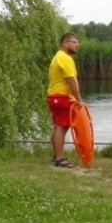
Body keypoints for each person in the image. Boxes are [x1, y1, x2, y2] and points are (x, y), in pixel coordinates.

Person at [46, 32, 84, 168]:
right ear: (65, 43)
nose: (77, 45)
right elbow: (71, 80)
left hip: (53, 97)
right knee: (62, 127)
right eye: (74, 42)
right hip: (62, 98)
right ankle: (60, 159)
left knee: (57, 127)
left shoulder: (57, 57)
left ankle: (56, 155)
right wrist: (79, 99)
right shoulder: (65, 58)